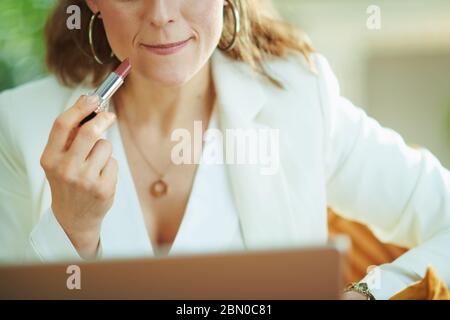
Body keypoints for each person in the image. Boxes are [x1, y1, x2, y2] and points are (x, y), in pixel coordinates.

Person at [0, 0, 449, 300]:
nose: (160, 14)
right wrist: (71, 231)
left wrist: (366, 295)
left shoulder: (301, 98)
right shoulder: (16, 125)